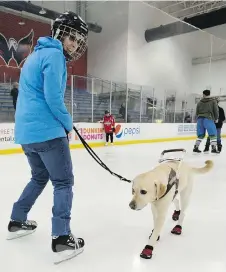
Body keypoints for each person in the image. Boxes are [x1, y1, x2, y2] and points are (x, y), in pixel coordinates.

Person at [7, 11, 88, 264]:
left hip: (27, 135)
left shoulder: (35, 56)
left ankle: (17, 218)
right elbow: (53, 98)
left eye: (77, 40)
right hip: (48, 133)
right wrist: (68, 125)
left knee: (40, 177)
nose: (74, 44)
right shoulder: (54, 56)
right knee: (63, 182)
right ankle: (62, 235)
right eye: (71, 37)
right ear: (59, 33)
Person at [193, 90, 219, 154]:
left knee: (200, 135)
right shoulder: (213, 101)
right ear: (209, 94)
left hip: (200, 119)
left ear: (203, 94)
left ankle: (196, 147)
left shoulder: (199, 102)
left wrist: (197, 118)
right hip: (208, 118)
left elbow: (197, 112)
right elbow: (216, 110)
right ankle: (213, 148)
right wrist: (216, 118)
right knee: (213, 134)